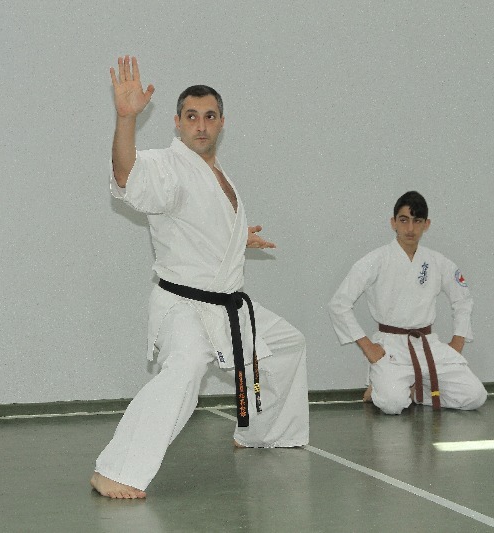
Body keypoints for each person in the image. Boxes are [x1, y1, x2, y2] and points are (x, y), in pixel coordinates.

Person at [91, 56, 309, 499]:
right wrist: (126, 119)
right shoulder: (168, 166)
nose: (201, 125)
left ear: (222, 122)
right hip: (184, 306)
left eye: (210, 116)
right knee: (186, 367)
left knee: (287, 345)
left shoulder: (216, 172)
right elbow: (127, 175)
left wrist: (236, 238)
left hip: (225, 302)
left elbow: (199, 225)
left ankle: (261, 433)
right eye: (191, 117)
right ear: (176, 123)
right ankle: (116, 470)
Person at [328, 191, 487, 415]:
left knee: (475, 396)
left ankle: (415, 390)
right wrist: (368, 348)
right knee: (392, 405)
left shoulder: (438, 262)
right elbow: (339, 304)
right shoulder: (375, 260)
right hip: (390, 346)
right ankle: (385, 387)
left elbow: (463, 300)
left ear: (426, 225)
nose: (410, 228)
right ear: (393, 222)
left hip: (428, 344)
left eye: (417, 221)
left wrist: (458, 342)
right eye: (404, 220)